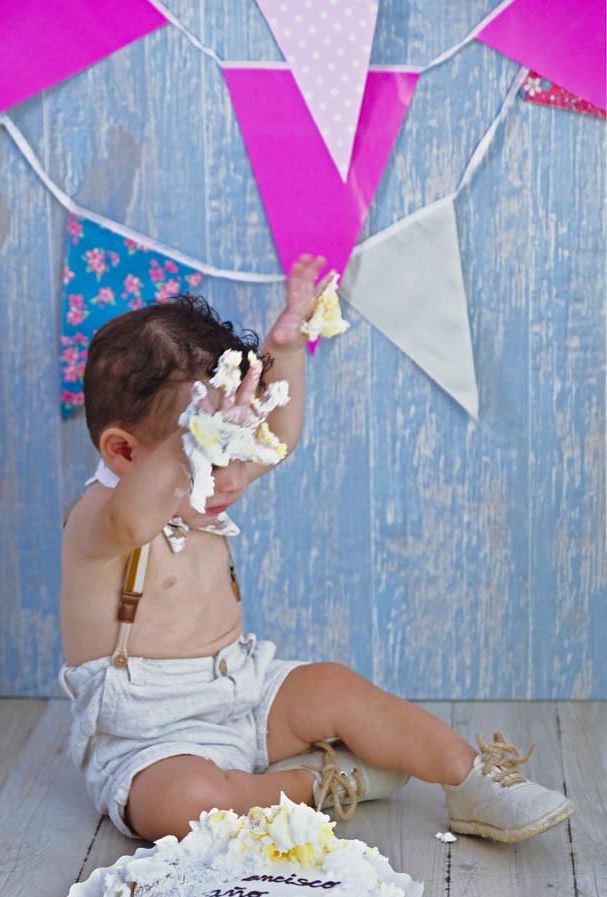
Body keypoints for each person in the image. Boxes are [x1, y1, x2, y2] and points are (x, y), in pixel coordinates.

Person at [60, 255, 573, 845]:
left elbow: (280, 438)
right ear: (125, 453)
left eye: (240, 447)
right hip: (151, 741)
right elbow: (133, 517)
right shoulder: (98, 524)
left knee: (334, 686)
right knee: (188, 805)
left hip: (243, 693)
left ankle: (473, 780)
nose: (237, 477)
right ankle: (319, 781)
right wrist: (187, 445)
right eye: (215, 453)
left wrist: (287, 346)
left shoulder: (208, 488)